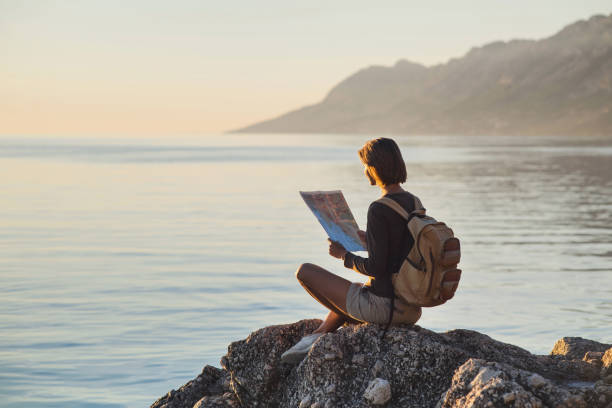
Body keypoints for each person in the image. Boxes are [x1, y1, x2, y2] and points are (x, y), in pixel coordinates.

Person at [281, 137, 422, 364]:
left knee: (305, 271)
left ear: (375, 168)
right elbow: (403, 253)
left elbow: (376, 268)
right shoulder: (414, 203)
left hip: (384, 309)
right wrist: (370, 243)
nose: (364, 171)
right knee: (355, 288)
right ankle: (320, 333)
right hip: (411, 307)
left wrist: (343, 256)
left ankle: (316, 338)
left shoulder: (379, 208)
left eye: (366, 166)